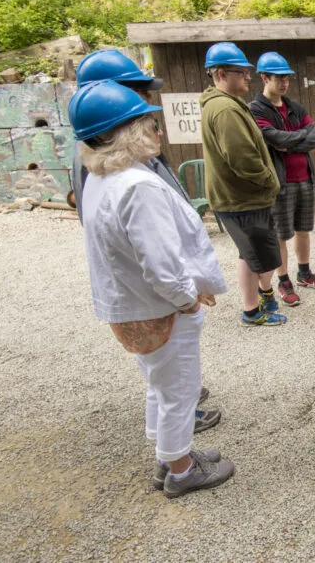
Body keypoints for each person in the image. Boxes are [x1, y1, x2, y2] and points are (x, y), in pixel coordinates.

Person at [69, 80, 234, 498]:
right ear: (130, 133)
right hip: (158, 307)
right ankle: (181, 470)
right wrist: (188, 299)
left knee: (160, 384)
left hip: (130, 307)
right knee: (180, 388)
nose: (159, 132)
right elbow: (161, 265)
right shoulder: (137, 187)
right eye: (151, 125)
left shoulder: (103, 179)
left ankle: (169, 455)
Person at [199, 42, 285, 327]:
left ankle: (258, 302)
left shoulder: (225, 105)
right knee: (258, 255)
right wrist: (270, 182)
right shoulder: (225, 110)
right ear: (222, 74)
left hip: (240, 198)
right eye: (242, 72)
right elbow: (242, 158)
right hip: (243, 199)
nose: (249, 76)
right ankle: (252, 311)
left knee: (248, 255)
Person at [248, 51, 315, 307]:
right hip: (280, 182)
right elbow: (271, 139)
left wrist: (288, 142)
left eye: (287, 78)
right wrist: (296, 139)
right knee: (280, 235)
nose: (284, 83)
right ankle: (284, 281)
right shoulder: (255, 109)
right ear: (264, 78)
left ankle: (304, 273)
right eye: (279, 78)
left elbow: (314, 137)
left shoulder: (296, 107)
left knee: (303, 230)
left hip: (304, 177)